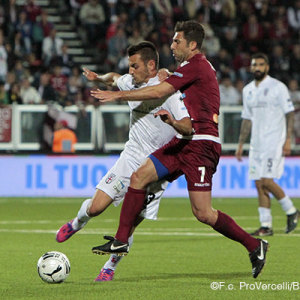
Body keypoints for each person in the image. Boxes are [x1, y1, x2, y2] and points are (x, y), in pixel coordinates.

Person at [90, 20, 268, 279]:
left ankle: (255, 245)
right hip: (185, 140)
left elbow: (160, 90)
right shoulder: (186, 68)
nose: (172, 45)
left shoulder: (197, 66)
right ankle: (120, 240)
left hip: (203, 143)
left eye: (177, 41)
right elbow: (164, 82)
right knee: (139, 176)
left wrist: (118, 96)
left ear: (192, 44)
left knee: (203, 213)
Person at [56, 41, 191, 281]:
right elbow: (114, 78)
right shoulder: (131, 82)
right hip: (130, 159)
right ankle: (77, 222)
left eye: (134, 66)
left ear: (151, 65)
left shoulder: (167, 90)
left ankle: (109, 267)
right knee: (96, 207)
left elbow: (187, 127)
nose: (130, 71)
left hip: (155, 168)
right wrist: (98, 78)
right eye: (129, 65)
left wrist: (171, 122)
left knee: (129, 223)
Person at [235, 53, 299, 236]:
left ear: (267, 67)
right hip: (256, 143)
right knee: (258, 183)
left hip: (274, 140)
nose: (258, 67)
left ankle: (291, 211)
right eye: (255, 64)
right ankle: (266, 225)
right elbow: (246, 119)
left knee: (267, 181)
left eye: (261, 64)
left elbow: (290, 114)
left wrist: (288, 139)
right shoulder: (247, 90)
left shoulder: (278, 87)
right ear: (251, 67)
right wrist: (241, 144)